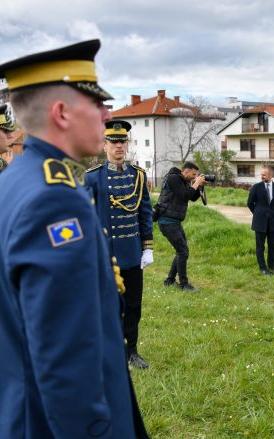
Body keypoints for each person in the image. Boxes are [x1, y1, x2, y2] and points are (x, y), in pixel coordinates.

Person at [0, 39, 147, 438]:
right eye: (97, 104)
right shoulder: (53, 200)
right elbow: (65, 358)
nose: (107, 116)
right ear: (63, 112)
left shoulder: (16, 178)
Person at [86, 120, 154, 369]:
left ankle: (131, 351)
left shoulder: (138, 176)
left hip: (132, 254)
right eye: (113, 141)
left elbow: (145, 213)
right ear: (104, 145)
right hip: (105, 256)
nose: (118, 146)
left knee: (134, 305)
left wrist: (147, 247)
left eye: (122, 141)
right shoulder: (92, 179)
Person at [157, 162, 205, 291]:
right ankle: (184, 284)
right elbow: (184, 195)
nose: (194, 177)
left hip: (174, 222)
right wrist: (195, 183)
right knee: (183, 251)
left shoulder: (183, 181)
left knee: (181, 251)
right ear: (186, 171)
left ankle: (170, 280)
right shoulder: (173, 178)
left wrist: (200, 186)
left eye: (196, 175)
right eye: (193, 174)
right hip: (167, 221)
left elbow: (192, 197)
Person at [247, 167, 274, 275]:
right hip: (259, 222)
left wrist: (270, 213)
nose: (261, 177)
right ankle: (263, 268)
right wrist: (258, 213)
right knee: (260, 246)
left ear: (271, 175)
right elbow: (250, 203)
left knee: (272, 246)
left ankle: (271, 266)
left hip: (273, 222)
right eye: (261, 174)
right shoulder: (256, 187)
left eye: (264, 175)